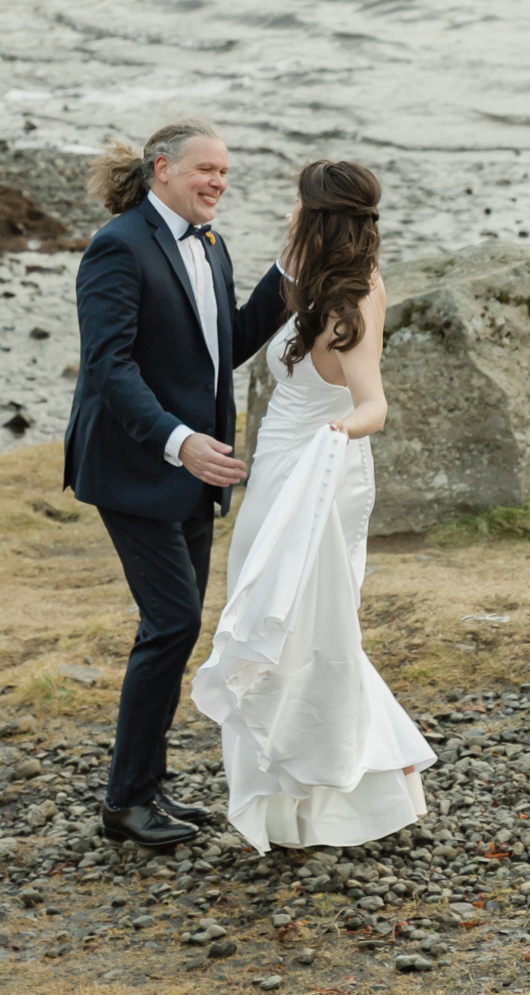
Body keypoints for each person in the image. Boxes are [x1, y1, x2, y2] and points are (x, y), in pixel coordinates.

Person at [191, 159, 434, 853]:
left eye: (297, 203)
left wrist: (337, 436)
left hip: (317, 470)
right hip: (276, 470)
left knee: (307, 624)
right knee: (273, 611)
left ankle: (326, 797)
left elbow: (373, 405)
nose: (288, 211)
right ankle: (298, 798)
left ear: (316, 214)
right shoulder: (304, 277)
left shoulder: (353, 299)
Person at [63, 119, 289, 849]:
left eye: (226, 172)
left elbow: (228, 344)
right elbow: (109, 366)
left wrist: (292, 268)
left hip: (194, 471)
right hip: (134, 467)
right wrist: (179, 442)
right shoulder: (117, 247)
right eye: (206, 169)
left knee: (175, 626)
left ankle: (145, 790)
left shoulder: (212, 245)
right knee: (171, 625)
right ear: (162, 168)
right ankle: (125, 804)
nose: (219, 182)